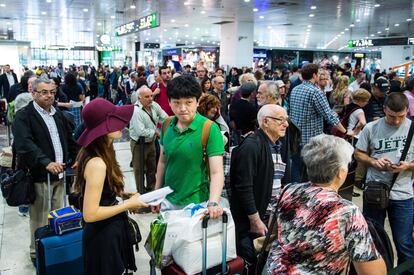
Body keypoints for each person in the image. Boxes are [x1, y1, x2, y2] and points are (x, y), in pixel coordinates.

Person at [264, 134, 386, 275]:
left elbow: (273, 228)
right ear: (340, 172)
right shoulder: (346, 211)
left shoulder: (288, 191)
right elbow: (372, 272)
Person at [74, 98, 147, 275]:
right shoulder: (97, 162)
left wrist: (122, 193)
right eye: (114, 121)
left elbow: (99, 191)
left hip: (108, 229)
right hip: (102, 235)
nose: (121, 125)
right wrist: (128, 205)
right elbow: (90, 214)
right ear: (102, 129)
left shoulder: (101, 151)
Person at [12, 77, 78, 264]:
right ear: (33, 93)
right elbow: (25, 144)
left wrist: (77, 157)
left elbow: (68, 139)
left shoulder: (57, 114)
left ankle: (55, 248)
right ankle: (37, 252)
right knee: (40, 217)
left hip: (60, 173)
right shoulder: (24, 116)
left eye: (52, 92)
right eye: (44, 92)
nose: (49, 96)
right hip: (39, 175)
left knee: (58, 213)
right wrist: (46, 162)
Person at [355, 92, 414, 273]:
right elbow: (358, 153)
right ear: (384, 109)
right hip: (375, 191)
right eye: (391, 116)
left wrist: (408, 166)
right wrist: (374, 162)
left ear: (407, 110)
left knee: (403, 241)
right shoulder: (371, 128)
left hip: (403, 194)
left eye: (401, 117)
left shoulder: (412, 128)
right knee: (373, 238)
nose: (396, 121)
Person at [151, 75, 224, 219]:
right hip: (167, 201)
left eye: (189, 102)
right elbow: (163, 161)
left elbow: (216, 172)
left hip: (197, 205)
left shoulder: (209, 129)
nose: (182, 108)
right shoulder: (167, 125)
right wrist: (156, 194)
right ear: (169, 102)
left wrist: (213, 202)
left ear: (197, 102)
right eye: (177, 103)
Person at [230, 104, 288, 273]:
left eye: (286, 120)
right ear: (265, 122)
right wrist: (255, 220)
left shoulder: (277, 144)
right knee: (251, 262)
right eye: (281, 120)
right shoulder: (251, 146)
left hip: (269, 218)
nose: (286, 124)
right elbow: (243, 187)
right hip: (252, 223)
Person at [289, 63, 348, 182]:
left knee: (295, 169)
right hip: (311, 140)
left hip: (295, 136)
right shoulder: (316, 92)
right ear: (315, 75)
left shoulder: (295, 89)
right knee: (309, 174)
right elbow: (329, 115)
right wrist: (345, 131)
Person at [129, 86, 168, 194]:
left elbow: (164, 117)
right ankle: (141, 192)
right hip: (138, 143)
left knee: (152, 168)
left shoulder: (154, 105)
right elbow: (140, 131)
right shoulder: (136, 111)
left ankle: (151, 190)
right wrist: (155, 132)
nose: (151, 98)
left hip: (151, 142)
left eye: (151, 95)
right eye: (147, 97)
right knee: (140, 170)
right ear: (139, 98)